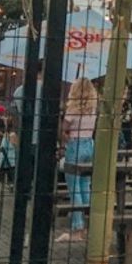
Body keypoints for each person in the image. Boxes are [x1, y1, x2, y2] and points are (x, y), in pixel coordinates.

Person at [57, 77, 99, 242]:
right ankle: (90, 225)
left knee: (74, 188)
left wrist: (65, 140)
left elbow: (63, 129)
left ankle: (77, 228)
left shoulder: (73, 109)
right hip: (90, 144)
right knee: (85, 186)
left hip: (75, 145)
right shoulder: (92, 109)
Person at [119, 85, 132, 149]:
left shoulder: (130, 101)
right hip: (121, 124)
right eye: (124, 93)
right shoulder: (119, 102)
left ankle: (127, 154)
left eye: (126, 92)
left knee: (127, 140)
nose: (126, 95)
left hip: (126, 124)